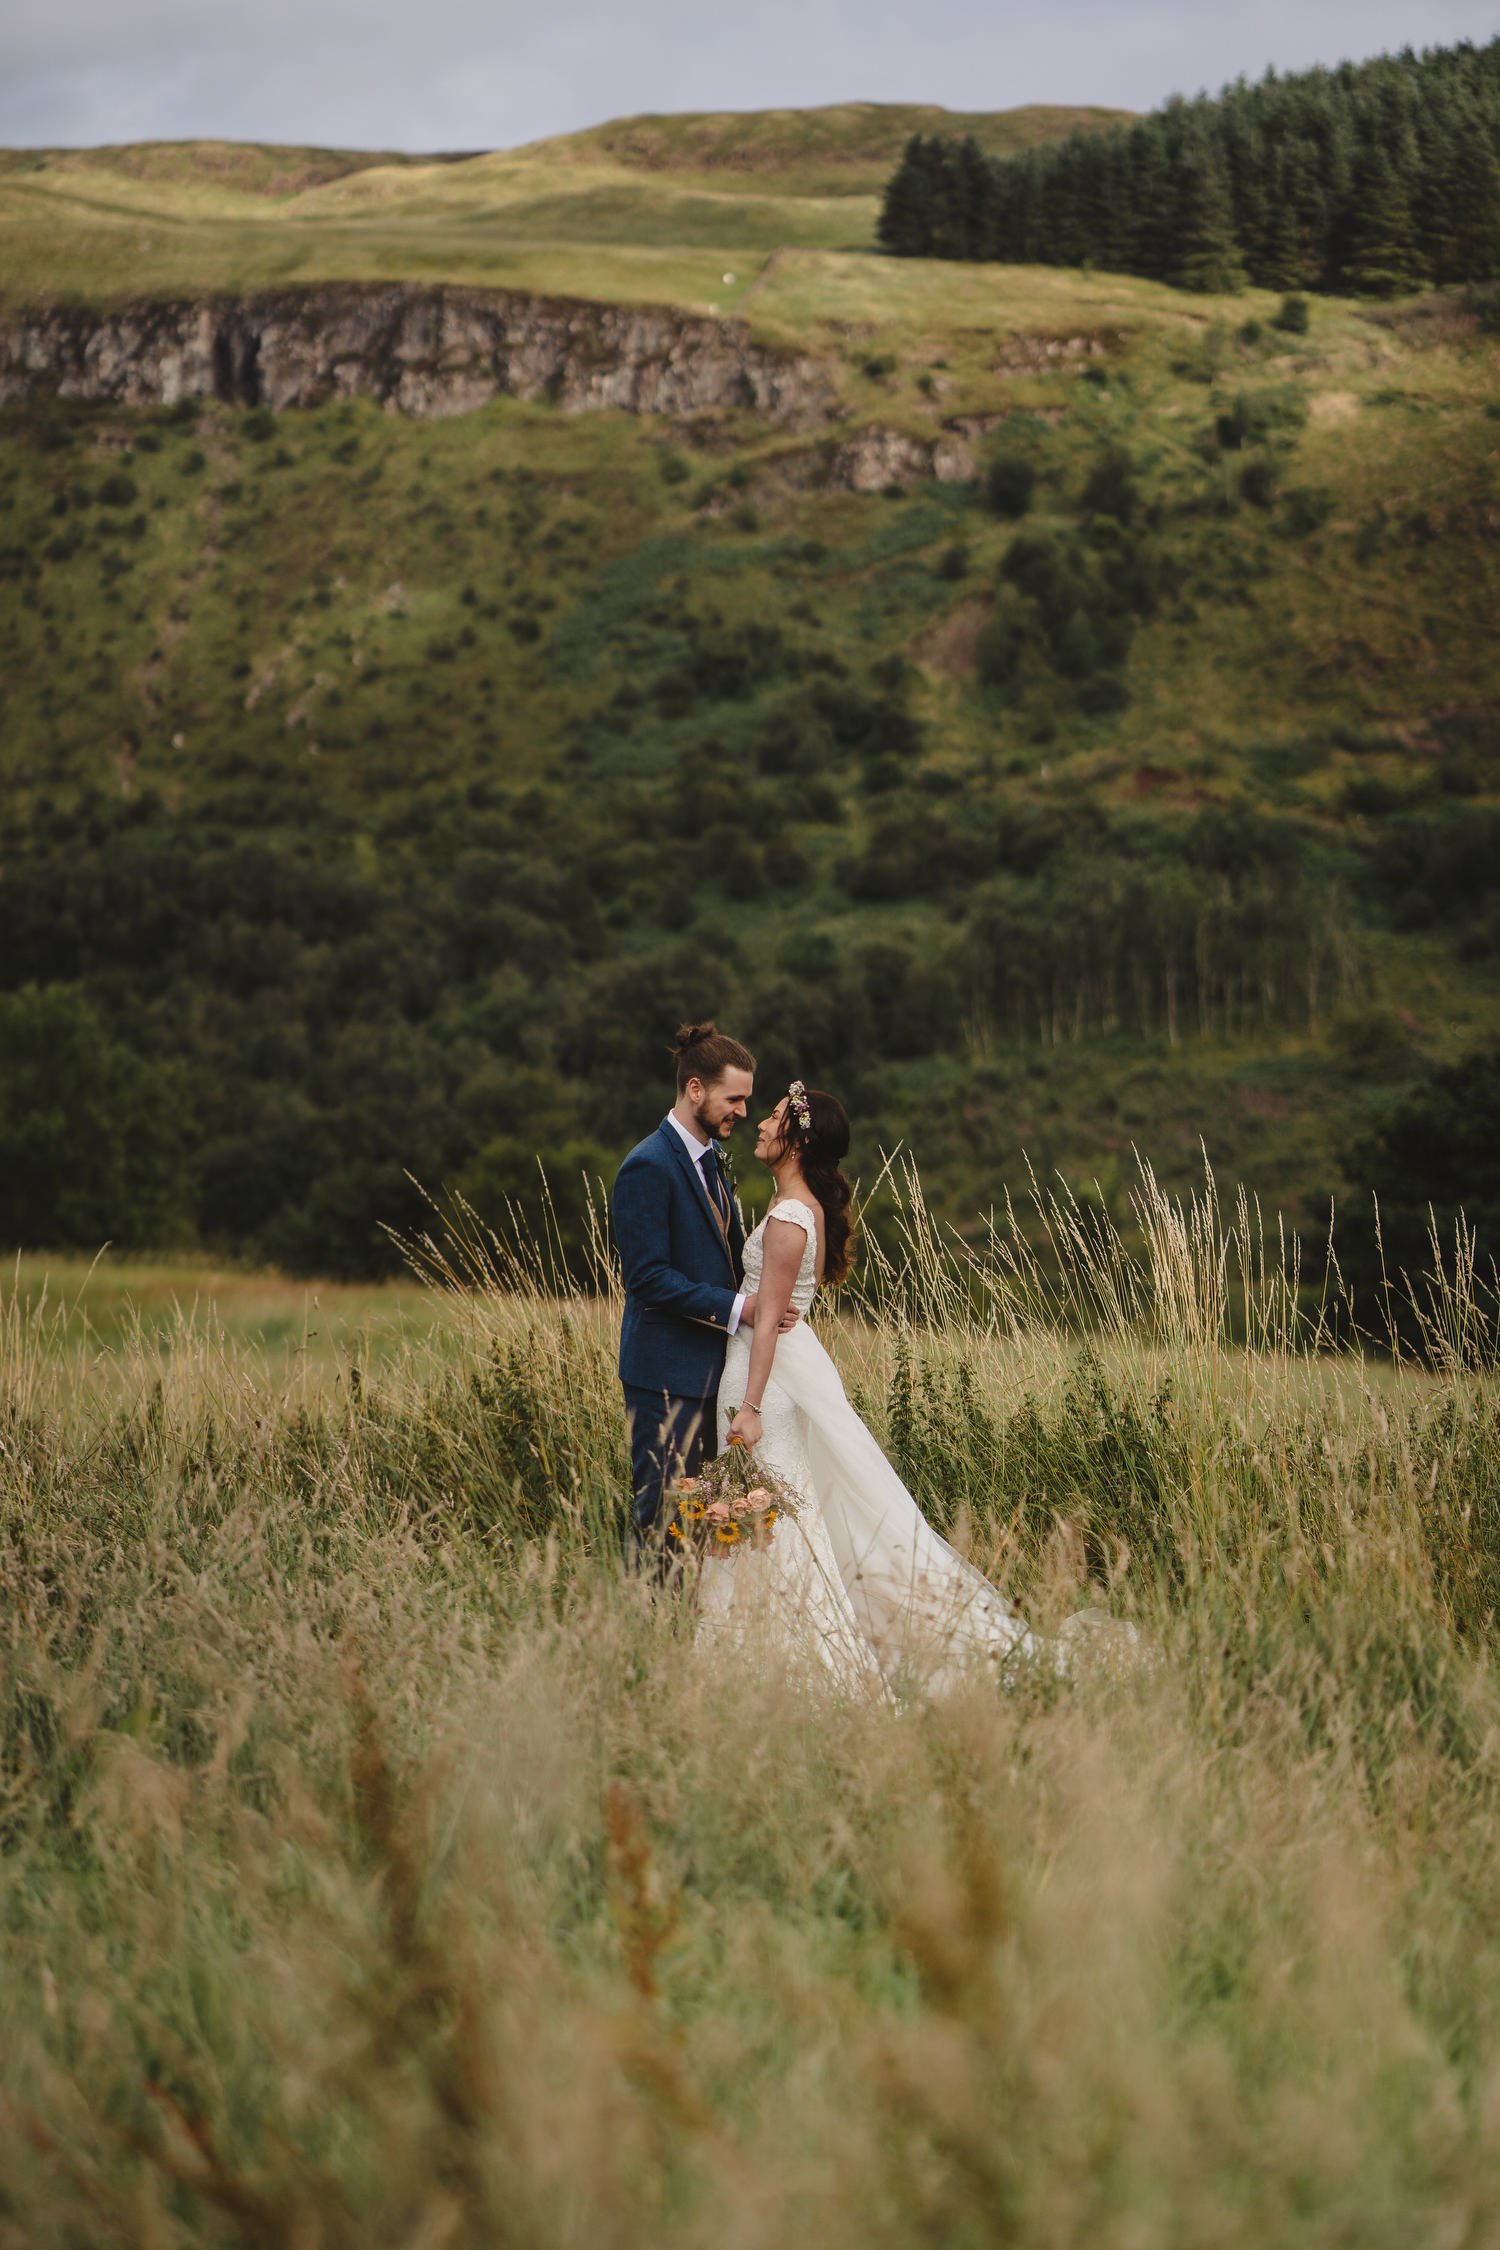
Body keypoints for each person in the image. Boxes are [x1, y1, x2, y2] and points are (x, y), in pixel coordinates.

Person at [704, 1080, 1109, 1695]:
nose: (760, 1123)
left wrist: (752, 1406)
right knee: (780, 1508)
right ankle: (760, 1651)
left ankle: (795, 1663)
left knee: (770, 1512)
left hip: (766, 1380)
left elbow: (766, 1325)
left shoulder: (789, 1219)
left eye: (776, 1116)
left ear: (797, 1140)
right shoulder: (801, 1208)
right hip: (782, 1367)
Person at [611, 1022, 794, 1571]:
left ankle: (690, 1627)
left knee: (705, 1521)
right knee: (662, 1513)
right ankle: (652, 1631)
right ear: (696, 1090)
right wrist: (743, 1308)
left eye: (746, 1100)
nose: (741, 1110)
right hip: (664, 1374)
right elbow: (648, 1278)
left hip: (712, 1374)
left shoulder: (712, 1159)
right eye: (733, 1098)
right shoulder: (648, 1165)